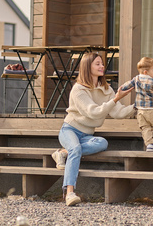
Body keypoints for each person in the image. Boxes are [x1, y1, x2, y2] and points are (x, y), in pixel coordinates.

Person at [51, 52, 135, 206]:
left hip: (87, 134)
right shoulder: (79, 89)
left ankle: (62, 152)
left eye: (102, 63)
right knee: (75, 149)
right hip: (70, 129)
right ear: (86, 66)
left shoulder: (106, 89)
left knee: (102, 143)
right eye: (97, 63)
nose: (102, 66)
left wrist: (138, 107)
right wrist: (116, 98)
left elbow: (117, 112)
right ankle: (69, 193)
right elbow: (93, 111)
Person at [120, 57, 153, 152]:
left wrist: (121, 88)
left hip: (140, 111)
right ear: (145, 72)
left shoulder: (136, 79)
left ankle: (149, 145)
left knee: (145, 128)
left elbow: (127, 85)